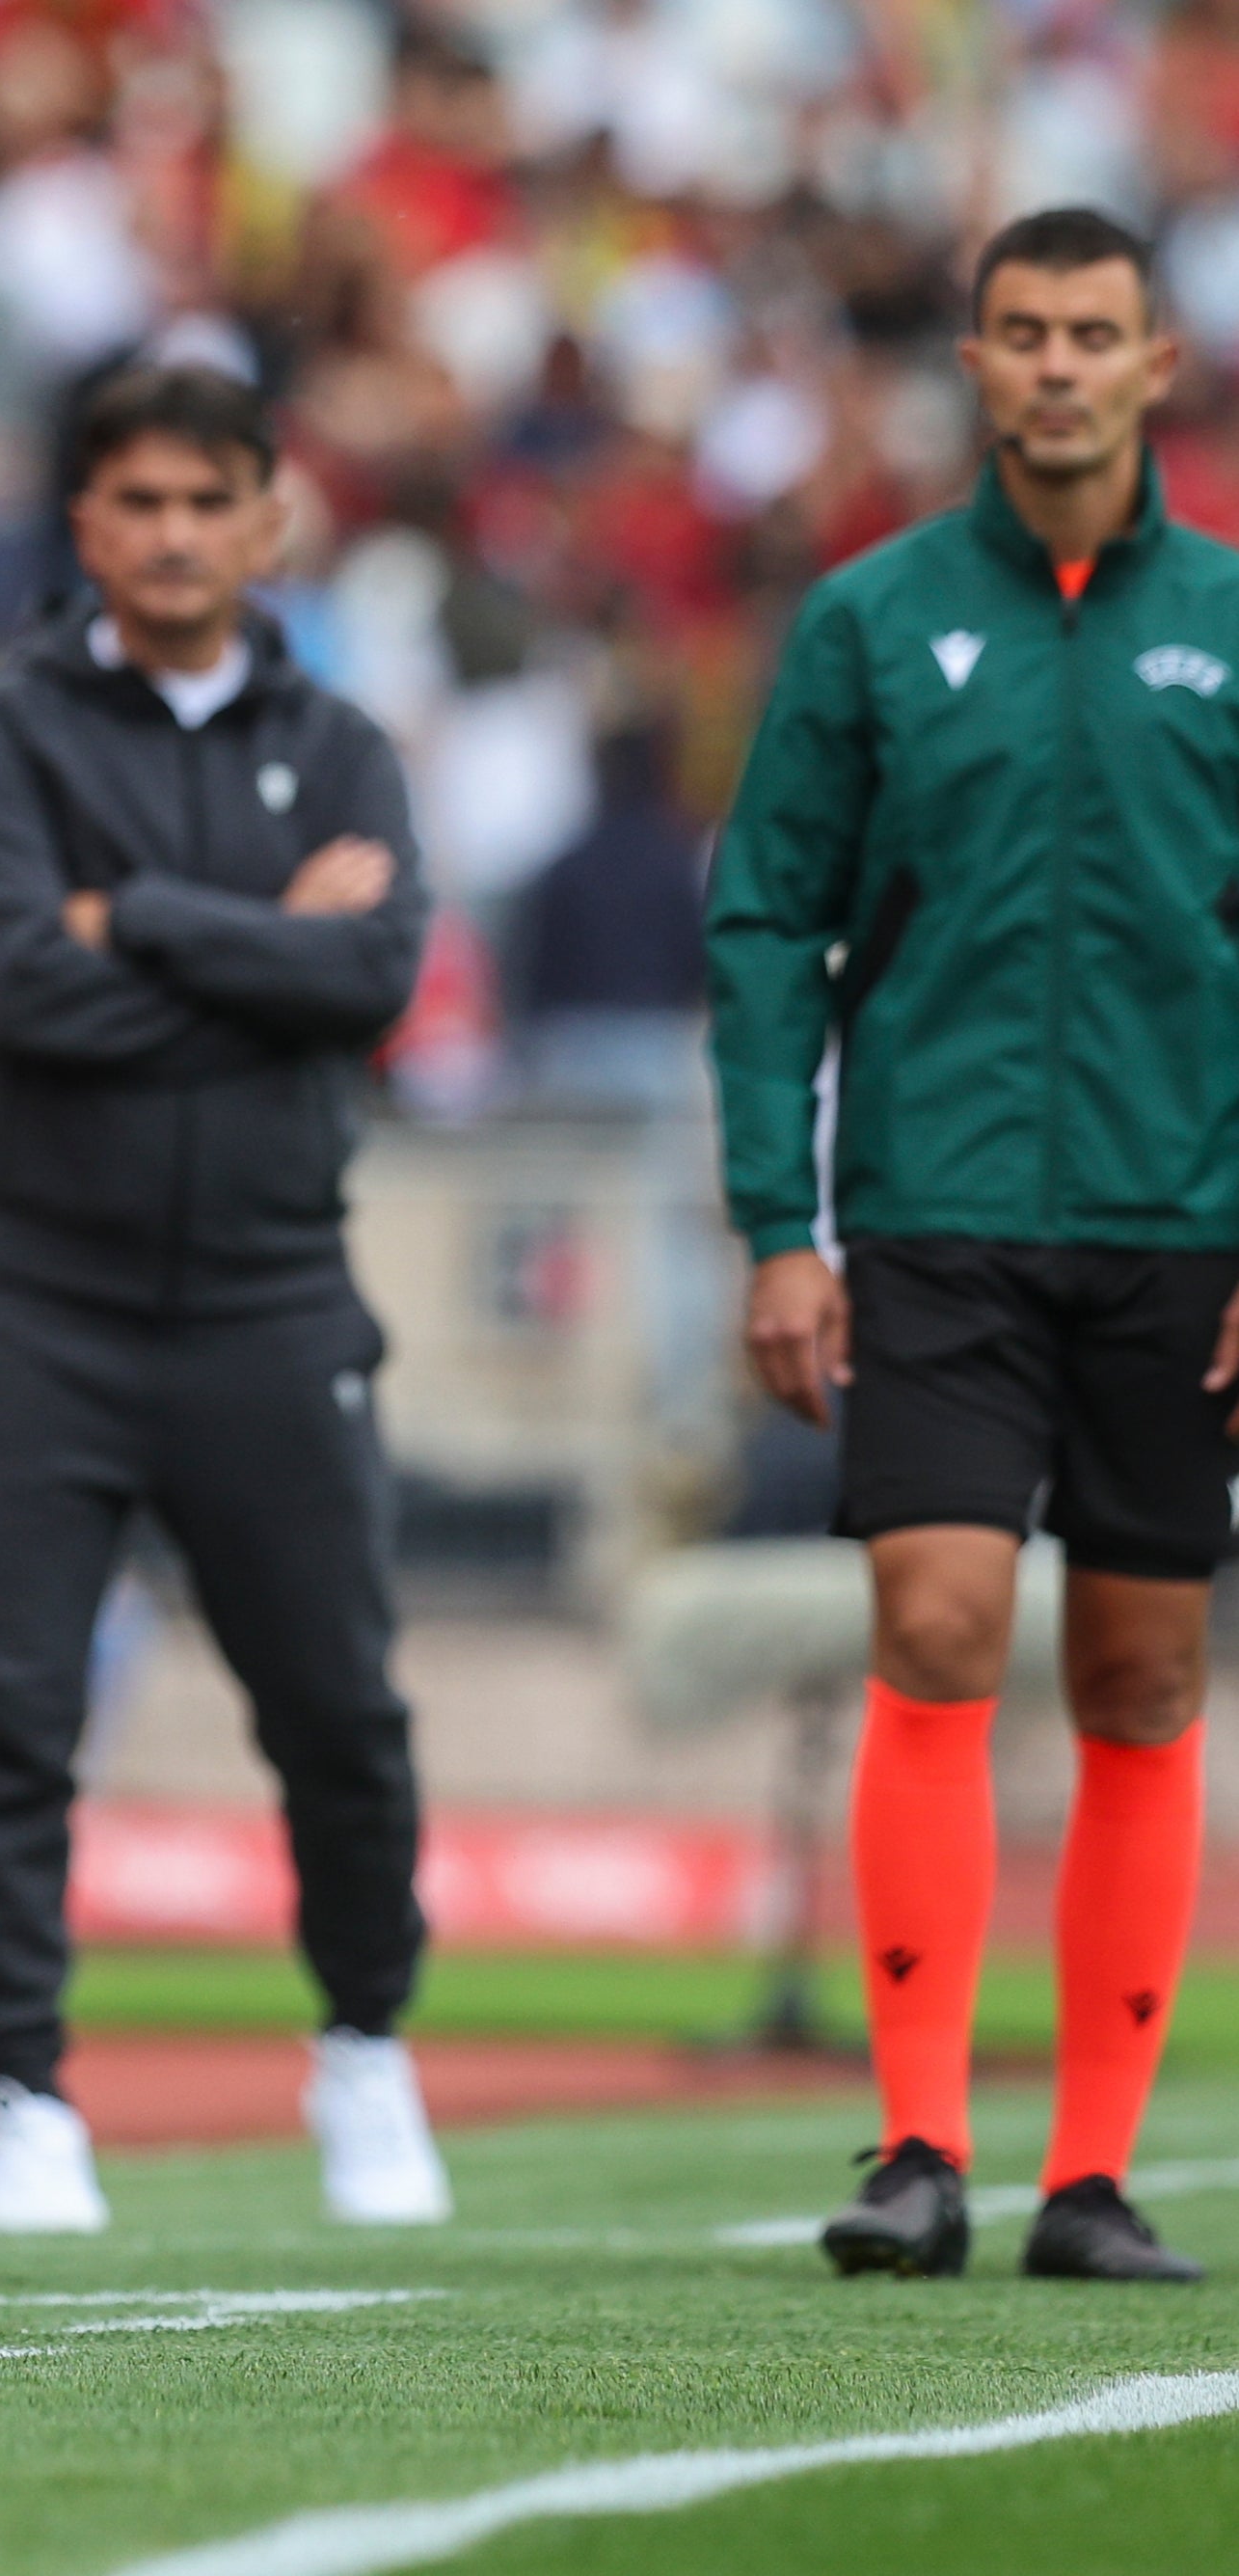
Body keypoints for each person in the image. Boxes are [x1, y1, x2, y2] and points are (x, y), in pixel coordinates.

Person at [711, 206, 1226, 2287]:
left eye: (1093, 333)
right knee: (933, 1625)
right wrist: (780, 1219)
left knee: (1145, 1667)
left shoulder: (1232, 624)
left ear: (1159, 361)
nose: (1056, 368)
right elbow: (768, 920)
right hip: (932, 1211)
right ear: (978, 360)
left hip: (1183, 1220)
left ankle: (1089, 2176)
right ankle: (920, 2142)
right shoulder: (868, 619)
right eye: (1021, 333)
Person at [0, 362, 444, 2237]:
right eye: (135, 501)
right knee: (1, 1703)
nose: (170, 533)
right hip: (38, 1294)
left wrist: (129, 915)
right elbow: (16, 991)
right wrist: (266, 943)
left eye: (205, 501)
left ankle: (367, 2045)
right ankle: (22, 2089)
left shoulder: (353, 740)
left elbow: (375, 975)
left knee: (338, 1708)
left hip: (275, 1293)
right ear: (84, 525)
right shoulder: (3, 735)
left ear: (269, 520)